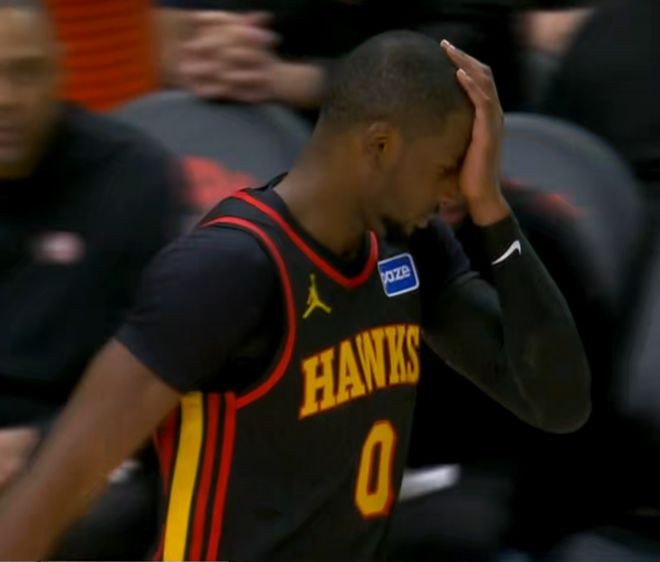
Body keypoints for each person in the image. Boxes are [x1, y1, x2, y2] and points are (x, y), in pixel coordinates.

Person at [0, 31, 590, 561]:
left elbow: (556, 402)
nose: (455, 194)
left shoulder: (412, 248)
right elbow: (63, 477)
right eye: (447, 169)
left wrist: (493, 210)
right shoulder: (229, 268)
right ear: (381, 146)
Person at [0, 0, 182, 557]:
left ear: (61, 69)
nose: (6, 98)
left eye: (25, 72)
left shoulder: (131, 178)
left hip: (81, 449)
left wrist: (38, 446)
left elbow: (158, 371)